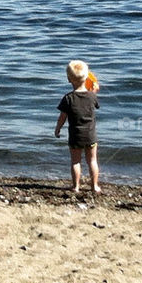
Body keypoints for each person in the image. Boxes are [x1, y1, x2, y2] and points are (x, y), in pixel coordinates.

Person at [54, 59, 101, 195]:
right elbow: (94, 102)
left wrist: (58, 129)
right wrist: (94, 89)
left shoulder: (68, 98)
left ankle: (76, 187)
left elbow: (62, 117)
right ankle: (95, 186)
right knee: (92, 160)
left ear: (69, 79)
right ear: (87, 78)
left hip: (75, 136)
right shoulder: (92, 96)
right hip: (91, 135)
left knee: (75, 161)